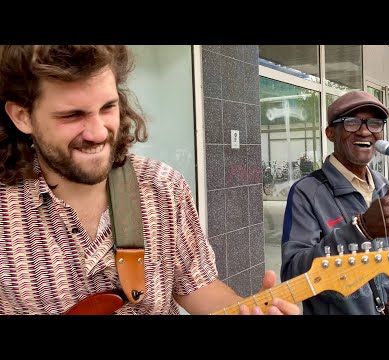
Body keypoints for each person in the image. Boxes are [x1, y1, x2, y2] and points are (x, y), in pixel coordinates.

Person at [0, 45, 300, 315]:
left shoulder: (162, 187)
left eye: (108, 108)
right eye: (71, 115)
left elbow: (199, 288)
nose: (98, 132)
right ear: (22, 116)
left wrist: (250, 311)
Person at [280, 90, 389, 315]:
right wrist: (360, 230)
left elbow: (380, 257)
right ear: (331, 133)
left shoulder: (382, 185)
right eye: (351, 122)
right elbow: (293, 273)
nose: (365, 130)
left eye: (374, 123)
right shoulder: (307, 192)